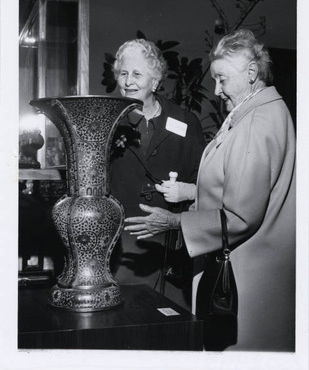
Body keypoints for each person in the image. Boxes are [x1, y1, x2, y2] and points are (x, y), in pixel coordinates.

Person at [124, 29, 296, 352]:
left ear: (251, 73)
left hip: (245, 287)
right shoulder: (257, 113)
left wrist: (175, 222)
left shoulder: (258, 121)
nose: (215, 90)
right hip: (247, 278)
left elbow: (240, 216)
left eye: (222, 79)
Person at [109, 38, 205, 308]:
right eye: (123, 73)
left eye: (137, 74)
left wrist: (182, 206)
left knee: (174, 326)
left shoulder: (186, 121)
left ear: (155, 80)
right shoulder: (107, 120)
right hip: (123, 248)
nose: (128, 81)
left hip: (170, 247)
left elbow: (203, 179)